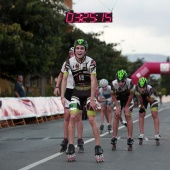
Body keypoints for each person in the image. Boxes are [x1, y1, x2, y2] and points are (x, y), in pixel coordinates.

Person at [61, 39, 104, 162]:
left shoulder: (91, 62)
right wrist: (62, 96)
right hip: (76, 92)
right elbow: (64, 80)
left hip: (89, 92)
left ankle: (98, 147)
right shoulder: (69, 62)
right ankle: (70, 145)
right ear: (74, 50)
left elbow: (93, 80)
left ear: (85, 50)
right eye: (77, 48)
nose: (79, 50)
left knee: (91, 119)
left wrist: (92, 99)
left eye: (82, 48)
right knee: (72, 116)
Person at [54, 47, 84, 152]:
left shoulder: (82, 63)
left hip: (79, 91)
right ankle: (65, 139)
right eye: (70, 53)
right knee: (67, 115)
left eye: (73, 52)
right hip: (68, 91)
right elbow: (61, 76)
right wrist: (57, 87)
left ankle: (80, 139)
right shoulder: (66, 63)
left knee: (77, 116)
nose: (72, 54)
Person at [111, 69, 134, 151]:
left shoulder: (130, 82)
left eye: (122, 81)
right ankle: (114, 136)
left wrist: (127, 107)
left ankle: (130, 138)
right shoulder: (113, 83)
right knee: (116, 115)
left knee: (128, 114)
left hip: (128, 98)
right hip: (118, 98)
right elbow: (113, 96)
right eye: (119, 81)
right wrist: (117, 107)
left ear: (125, 80)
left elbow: (131, 95)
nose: (120, 83)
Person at [135, 77, 160, 145]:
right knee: (141, 114)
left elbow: (151, 101)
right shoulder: (137, 88)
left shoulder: (150, 89)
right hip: (143, 99)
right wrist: (142, 107)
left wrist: (146, 96)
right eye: (141, 87)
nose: (142, 89)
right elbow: (140, 98)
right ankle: (141, 133)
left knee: (154, 114)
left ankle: (157, 134)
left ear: (146, 86)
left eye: (144, 87)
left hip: (152, 99)